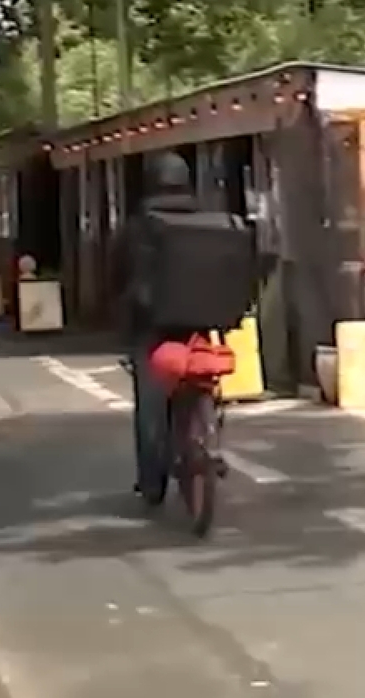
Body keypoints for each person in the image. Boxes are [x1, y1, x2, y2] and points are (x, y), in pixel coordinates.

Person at [115, 152, 235, 500]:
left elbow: (118, 273)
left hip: (152, 325)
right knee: (203, 378)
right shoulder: (211, 221)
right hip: (202, 320)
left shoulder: (139, 226)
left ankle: (152, 481)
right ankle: (207, 431)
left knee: (150, 404)